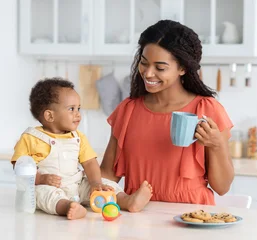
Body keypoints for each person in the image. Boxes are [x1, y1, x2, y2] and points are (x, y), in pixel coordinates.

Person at [100, 20, 234, 206]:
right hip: (137, 219)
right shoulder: (128, 110)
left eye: (160, 68)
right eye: (144, 63)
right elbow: (106, 176)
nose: (147, 73)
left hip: (190, 217)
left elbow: (222, 187)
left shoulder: (206, 109)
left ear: (183, 68)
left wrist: (216, 145)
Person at [11, 78, 153, 220]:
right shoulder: (31, 138)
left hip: (77, 185)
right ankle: (67, 207)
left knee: (107, 185)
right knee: (42, 194)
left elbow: (90, 163)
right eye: (71, 109)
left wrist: (96, 183)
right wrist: (40, 178)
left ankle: (126, 201)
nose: (78, 114)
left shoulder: (78, 137)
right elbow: (20, 167)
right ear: (50, 115)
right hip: (49, 186)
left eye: (78, 108)